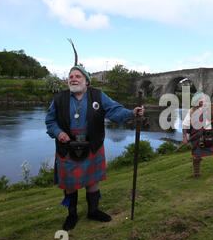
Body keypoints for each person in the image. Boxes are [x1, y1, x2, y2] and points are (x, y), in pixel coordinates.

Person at [45, 65, 144, 231]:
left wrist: (131, 113)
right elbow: (50, 121)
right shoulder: (59, 98)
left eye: (78, 76)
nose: (73, 79)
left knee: (93, 181)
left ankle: (93, 211)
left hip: (93, 144)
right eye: (71, 77)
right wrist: (58, 132)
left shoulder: (98, 95)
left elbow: (115, 110)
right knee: (69, 186)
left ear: (86, 81)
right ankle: (71, 214)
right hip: (66, 146)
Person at [182, 91, 213, 179]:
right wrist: (184, 138)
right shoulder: (191, 111)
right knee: (196, 156)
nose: (202, 100)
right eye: (199, 99)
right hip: (198, 136)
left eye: (203, 98)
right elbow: (185, 124)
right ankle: (196, 174)